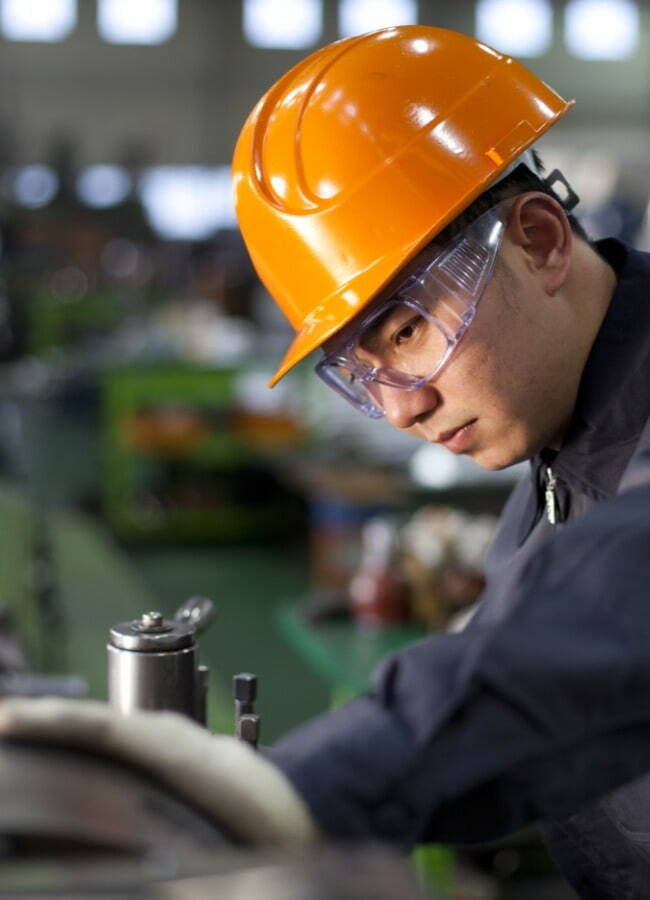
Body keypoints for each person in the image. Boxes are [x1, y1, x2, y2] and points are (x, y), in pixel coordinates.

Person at [1, 25, 649, 898]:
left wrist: (279, 793)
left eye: (411, 330)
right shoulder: (554, 469)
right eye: (357, 371)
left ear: (538, 241)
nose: (399, 406)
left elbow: (603, 616)